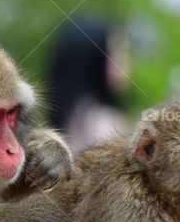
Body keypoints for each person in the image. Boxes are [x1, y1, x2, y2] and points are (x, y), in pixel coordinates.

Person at [48, 18, 131, 155]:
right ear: (95, 60)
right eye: (118, 55)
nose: (126, 65)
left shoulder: (65, 123)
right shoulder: (105, 123)